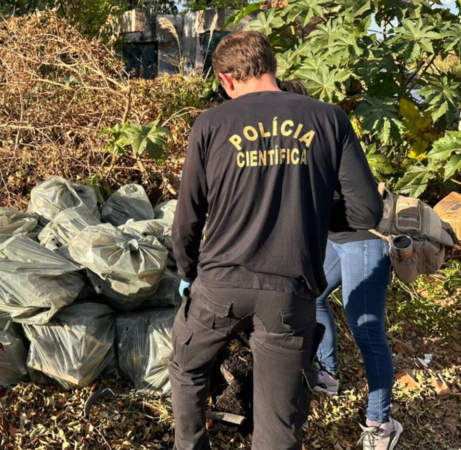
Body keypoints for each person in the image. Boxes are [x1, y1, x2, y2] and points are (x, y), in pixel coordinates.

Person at [170, 31, 384, 450]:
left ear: (225, 79)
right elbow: (367, 213)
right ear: (273, 67)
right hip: (290, 291)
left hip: (220, 285)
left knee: (187, 367)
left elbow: (188, 215)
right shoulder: (329, 119)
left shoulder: (211, 123)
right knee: (279, 417)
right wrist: (311, 214)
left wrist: (187, 271)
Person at [279, 78, 403, 450]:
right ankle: (329, 372)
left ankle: (381, 423)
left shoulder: (321, 140)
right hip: (335, 239)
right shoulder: (288, 146)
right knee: (314, 296)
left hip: (364, 240)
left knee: (366, 329)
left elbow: (360, 207)